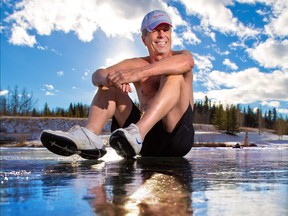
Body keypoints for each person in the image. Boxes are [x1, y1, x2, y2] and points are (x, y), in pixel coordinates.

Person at [40, 10, 195, 159]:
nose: (162, 35)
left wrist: (139, 73)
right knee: (108, 86)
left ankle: (137, 133)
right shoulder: (136, 62)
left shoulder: (181, 56)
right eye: (155, 30)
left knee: (173, 74)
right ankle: (90, 136)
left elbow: (187, 63)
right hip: (146, 144)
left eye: (166, 30)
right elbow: (97, 75)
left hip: (177, 139)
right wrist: (112, 80)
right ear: (144, 39)